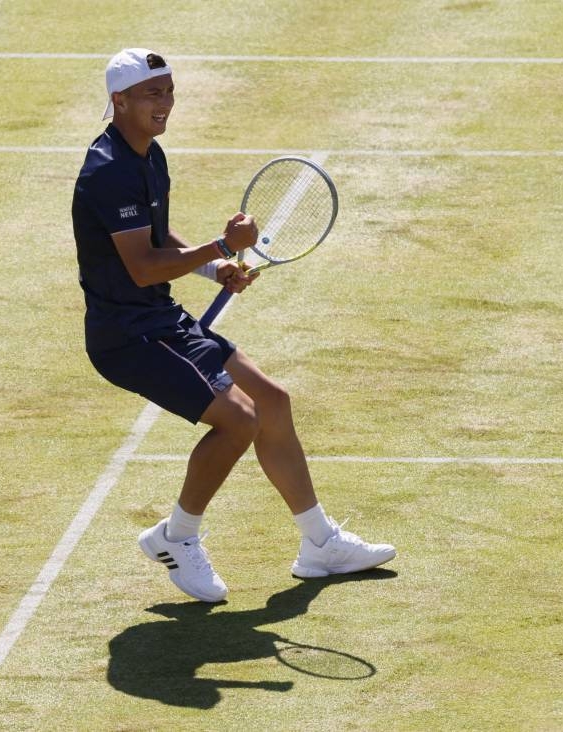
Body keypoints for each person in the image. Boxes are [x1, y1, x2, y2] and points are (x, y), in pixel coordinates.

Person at [72, 48, 395, 603]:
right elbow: (142, 267)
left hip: (159, 320)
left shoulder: (148, 156)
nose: (166, 102)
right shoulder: (108, 173)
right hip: (128, 338)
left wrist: (212, 265)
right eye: (154, 93)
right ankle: (177, 537)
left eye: (169, 90)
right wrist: (222, 244)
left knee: (271, 400)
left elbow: (157, 238)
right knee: (238, 420)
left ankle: (320, 543)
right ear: (119, 101)